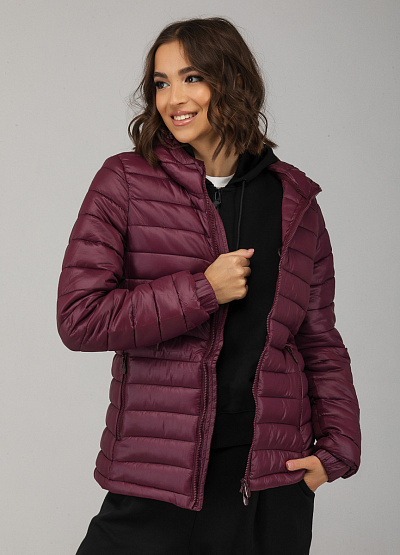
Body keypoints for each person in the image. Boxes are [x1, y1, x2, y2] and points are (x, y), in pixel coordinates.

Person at [57, 17, 361, 555]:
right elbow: (80, 318)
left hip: (267, 481)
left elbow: (318, 338)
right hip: (158, 475)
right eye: (161, 82)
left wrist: (336, 451)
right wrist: (202, 291)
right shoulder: (125, 182)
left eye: (192, 77)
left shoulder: (294, 201)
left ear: (234, 81)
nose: (174, 98)